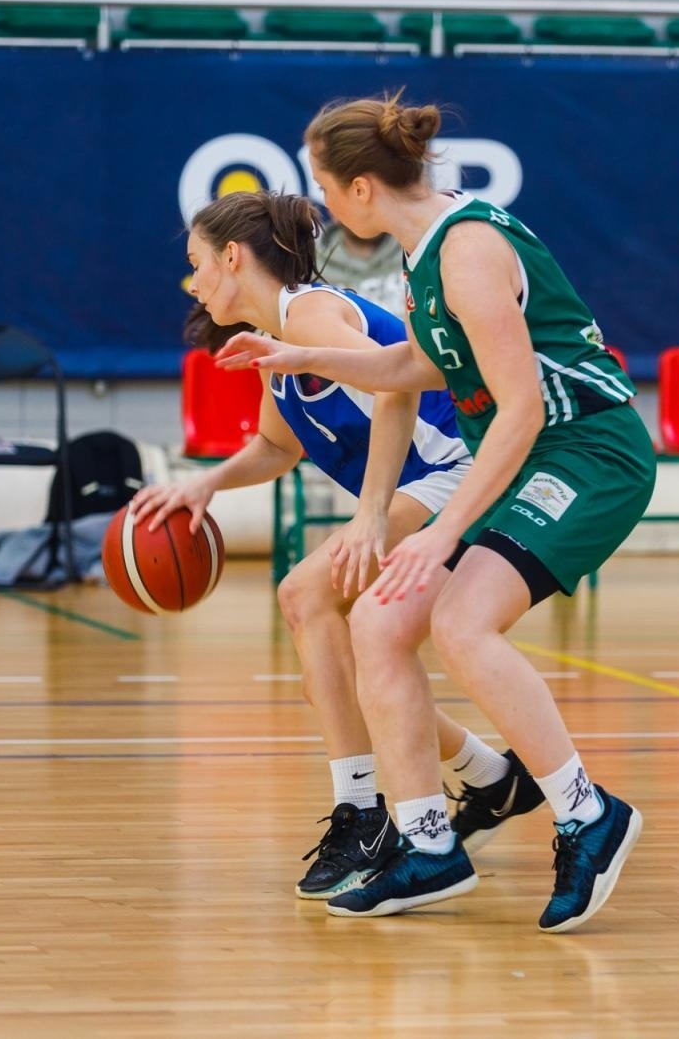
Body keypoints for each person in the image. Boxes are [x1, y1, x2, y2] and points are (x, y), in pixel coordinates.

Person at [218, 92, 651, 933]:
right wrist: (302, 354)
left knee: (461, 623)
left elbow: (521, 408)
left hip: (589, 454)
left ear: (362, 189)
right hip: (529, 458)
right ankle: (426, 845)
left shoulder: (471, 250)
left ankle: (586, 812)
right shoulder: (426, 261)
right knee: (378, 627)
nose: (318, 203)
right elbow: (415, 367)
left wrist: (442, 533)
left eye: (323, 185)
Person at [129, 190, 542, 900]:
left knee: (304, 593)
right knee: (339, 673)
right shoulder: (276, 343)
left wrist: (370, 515)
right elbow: (273, 447)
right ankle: (493, 778)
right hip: (425, 484)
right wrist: (206, 485)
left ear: (233, 258)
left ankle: (363, 814)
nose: (193, 283)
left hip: (459, 469)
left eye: (197, 264)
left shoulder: (313, 313)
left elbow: (396, 386)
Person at [317, 219, 405, 318]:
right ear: (332, 209)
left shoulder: (415, 250)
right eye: (350, 203)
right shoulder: (309, 260)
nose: (365, 204)